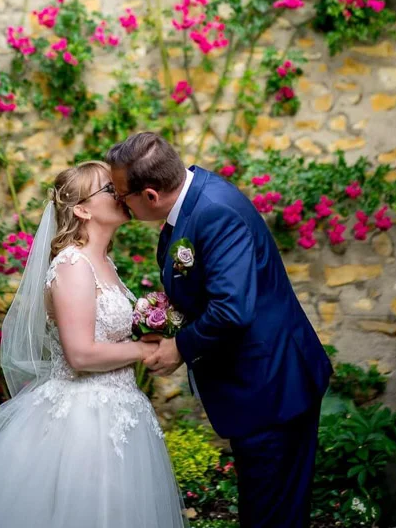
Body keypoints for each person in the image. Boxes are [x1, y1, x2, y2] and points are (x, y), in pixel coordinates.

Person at [0, 160, 187, 528]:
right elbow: (80, 353)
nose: (120, 194)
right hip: (82, 420)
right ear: (81, 209)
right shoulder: (72, 264)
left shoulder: (105, 263)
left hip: (120, 411)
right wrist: (145, 351)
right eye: (108, 189)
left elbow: (104, 333)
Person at [107, 133, 333, 528]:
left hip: (272, 386)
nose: (117, 202)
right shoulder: (191, 203)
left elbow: (231, 310)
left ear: (150, 194)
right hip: (262, 385)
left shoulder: (215, 212)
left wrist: (179, 347)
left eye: (121, 194)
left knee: (271, 516)